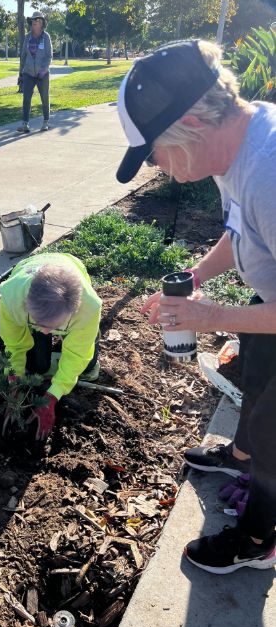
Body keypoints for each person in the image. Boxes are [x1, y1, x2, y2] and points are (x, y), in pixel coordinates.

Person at [115, 39, 276, 574]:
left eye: (154, 152)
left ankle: (259, 540)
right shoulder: (238, 148)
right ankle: (238, 460)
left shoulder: (272, 172)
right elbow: (242, 233)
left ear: (191, 121)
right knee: (255, 385)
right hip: (269, 301)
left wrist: (211, 318)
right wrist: (193, 279)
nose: (156, 167)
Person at [0, 253, 102, 439]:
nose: (46, 332)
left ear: (74, 311)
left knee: (85, 365)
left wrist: (53, 396)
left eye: (53, 327)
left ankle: (67, 331)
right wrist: (14, 383)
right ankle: (37, 327)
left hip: (71, 270)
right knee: (37, 366)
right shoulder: (12, 298)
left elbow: (77, 355)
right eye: (40, 325)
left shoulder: (88, 308)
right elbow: (14, 345)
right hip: (28, 286)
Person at [17, 11, 52, 134]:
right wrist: (20, 74)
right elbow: (23, 57)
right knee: (26, 98)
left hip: (43, 74)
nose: (34, 22)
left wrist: (44, 69)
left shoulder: (46, 37)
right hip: (28, 73)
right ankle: (25, 124)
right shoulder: (28, 37)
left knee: (44, 97)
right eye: (33, 20)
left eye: (37, 20)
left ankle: (46, 121)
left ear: (42, 23)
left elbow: (49, 56)